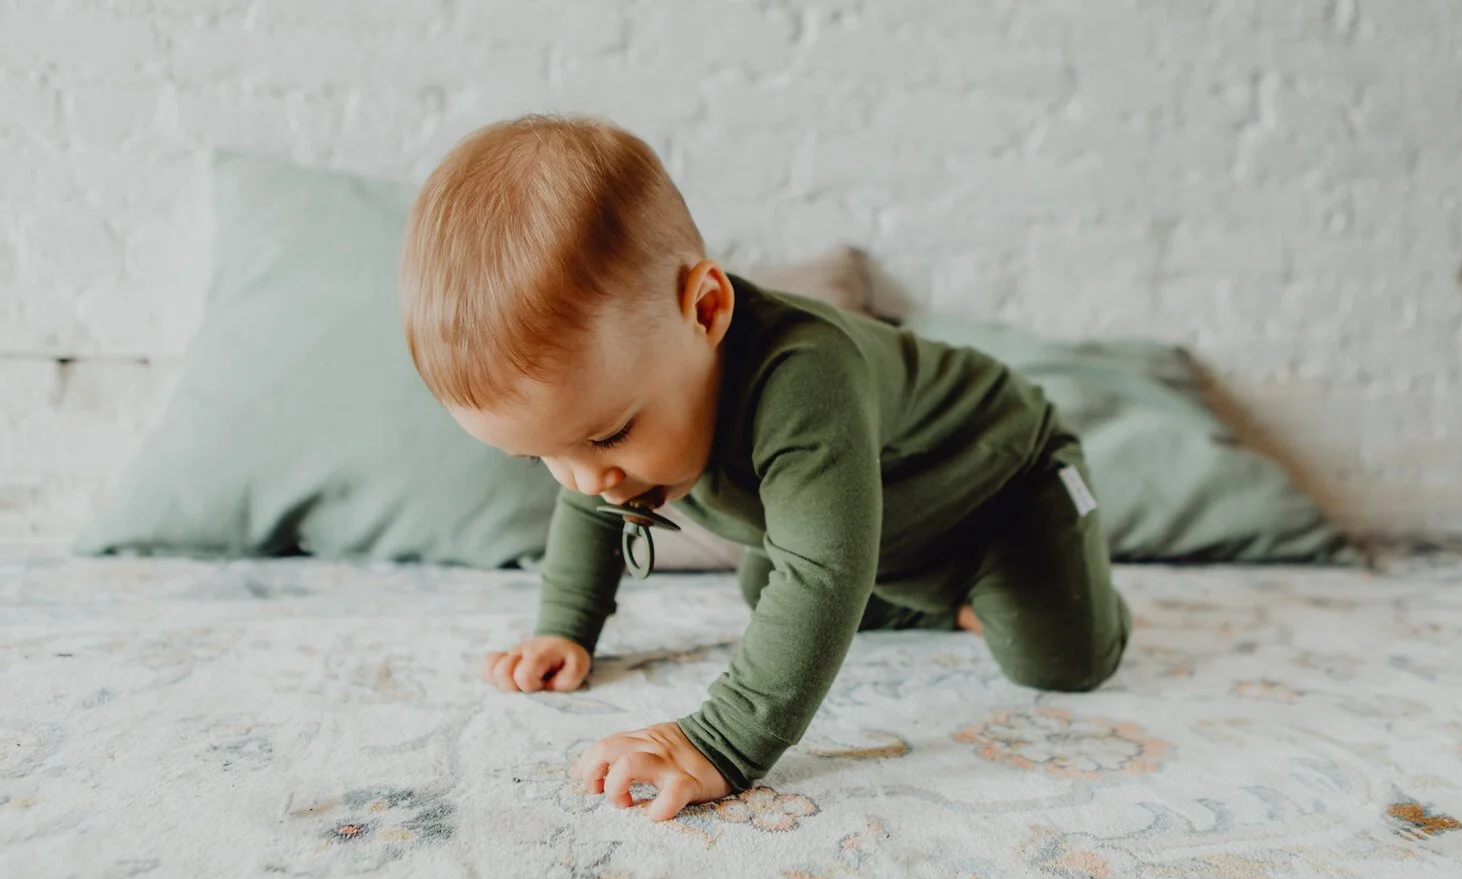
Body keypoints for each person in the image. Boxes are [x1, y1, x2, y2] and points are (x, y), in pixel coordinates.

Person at [399, 114, 1131, 822]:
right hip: (887, 521)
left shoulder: (804, 374)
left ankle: (1054, 581)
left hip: (1010, 483)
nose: (586, 479)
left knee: (1059, 658)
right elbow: (594, 503)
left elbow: (823, 571)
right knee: (766, 587)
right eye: (540, 457)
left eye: (611, 435)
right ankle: (948, 597)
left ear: (707, 308)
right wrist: (565, 628)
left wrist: (717, 741)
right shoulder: (600, 443)